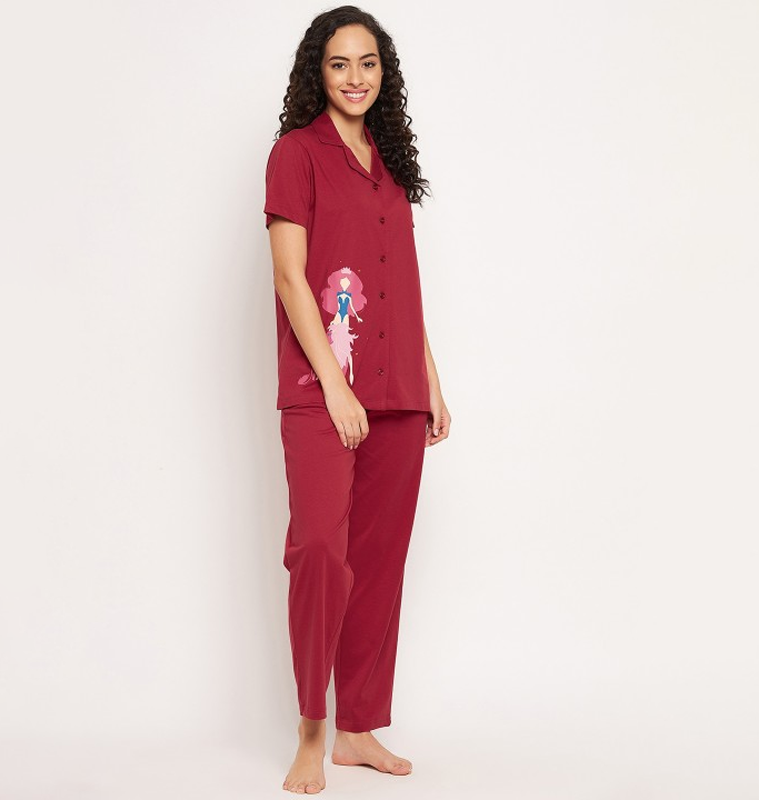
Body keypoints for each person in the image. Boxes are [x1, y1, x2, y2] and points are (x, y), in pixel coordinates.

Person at [263, 6, 451, 794]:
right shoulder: (295, 154)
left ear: (384, 72)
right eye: (339, 63)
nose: (355, 77)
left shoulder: (390, 161)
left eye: (367, 63)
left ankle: (358, 729)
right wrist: (337, 388)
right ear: (318, 71)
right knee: (319, 551)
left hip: (398, 388)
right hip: (323, 388)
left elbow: (400, 279)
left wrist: (430, 378)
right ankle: (312, 728)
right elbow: (290, 278)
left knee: (378, 562)